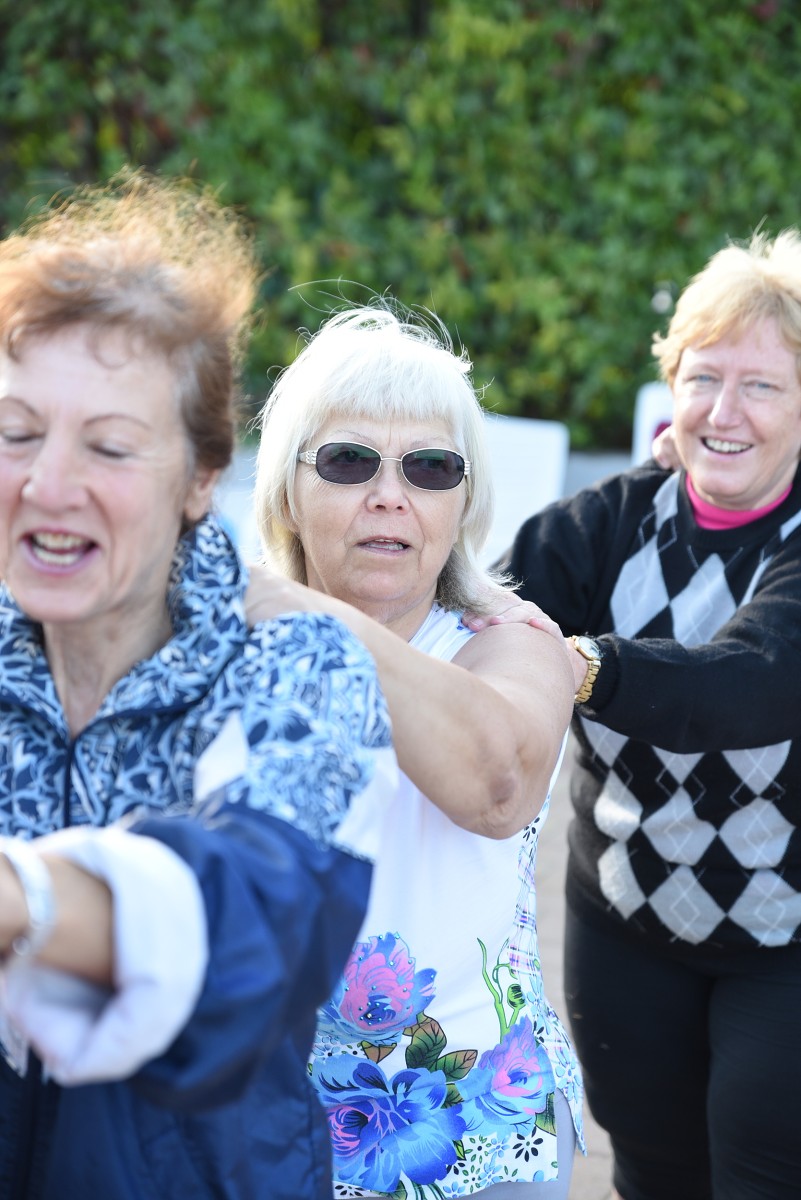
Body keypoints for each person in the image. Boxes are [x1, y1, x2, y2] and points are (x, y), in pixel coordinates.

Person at [0, 172, 400, 1199]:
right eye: (16, 431)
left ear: (198, 477)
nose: (47, 483)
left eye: (109, 445)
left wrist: (26, 899)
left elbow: (261, 919)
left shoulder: (299, 670)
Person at [478, 229, 801, 1200]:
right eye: (703, 379)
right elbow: (480, 609)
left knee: (763, 1171)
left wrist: (582, 665)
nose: (724, 412)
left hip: (786, 944)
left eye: (762, 385)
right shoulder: (608, 523)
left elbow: (751, 682)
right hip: (624, 921)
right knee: (652, 1173)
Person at [245, 302, 583, 1199]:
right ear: (286, 490)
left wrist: (295, 611)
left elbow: (496, 787)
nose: (390, 494)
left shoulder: (511, 644)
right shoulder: (220, 645)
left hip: (471, 1134)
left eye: (430, 467)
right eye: (348, 461)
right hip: (254, 1120)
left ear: (462, 501)